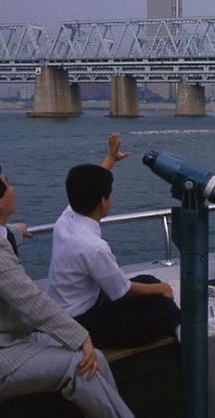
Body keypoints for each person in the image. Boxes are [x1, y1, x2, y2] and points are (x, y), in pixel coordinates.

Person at [0, 162, 132, 417]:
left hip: (2, 341)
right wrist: (82, 337)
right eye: (6, 183)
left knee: (97, 359)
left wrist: (16, 231)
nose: (13, 188)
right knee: (79, 366)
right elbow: (33, 302)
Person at [47, 134, 181, 348]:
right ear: (103, 201)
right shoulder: (94, 247)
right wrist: (162, 289)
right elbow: (122, 290)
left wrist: (110, 160)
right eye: (109, 195)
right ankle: (180, 328)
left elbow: (90, 185)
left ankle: (176, 322)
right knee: (156, 315)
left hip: (67, 310)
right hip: (81, 323)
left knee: (148, 280)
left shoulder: (66, 219)